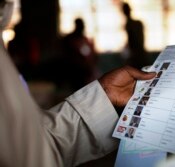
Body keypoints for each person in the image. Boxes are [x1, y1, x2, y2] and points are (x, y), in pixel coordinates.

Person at [0, 1, 156, 166]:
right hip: (78, 71)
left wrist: (103, 95)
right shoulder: (71, 40)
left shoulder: (87, 39)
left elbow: (32, 140)